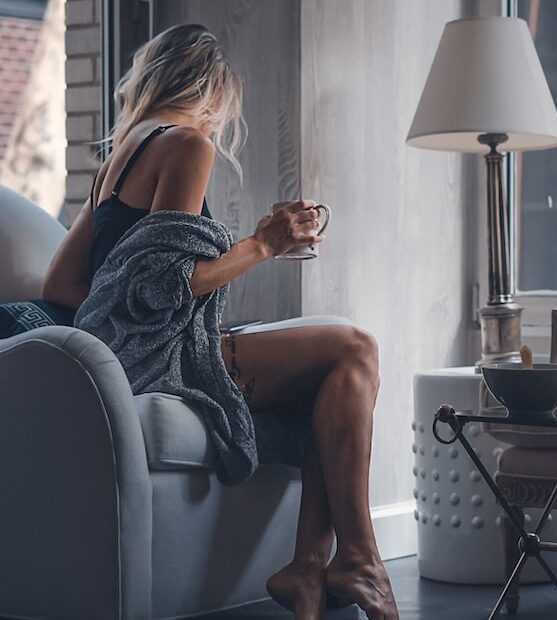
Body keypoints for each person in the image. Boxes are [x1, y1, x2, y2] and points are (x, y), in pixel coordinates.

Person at [40, 23, 397, 620]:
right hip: (156, 358)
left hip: (121, 353)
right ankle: (352, 560)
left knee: (334, 378)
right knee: (353, 349)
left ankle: (310, 571)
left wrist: (118, 327)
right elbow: (165, 282)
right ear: (213, 91)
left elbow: (63, 284)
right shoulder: (186, 144)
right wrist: (264, 243)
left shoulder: (117, 160)